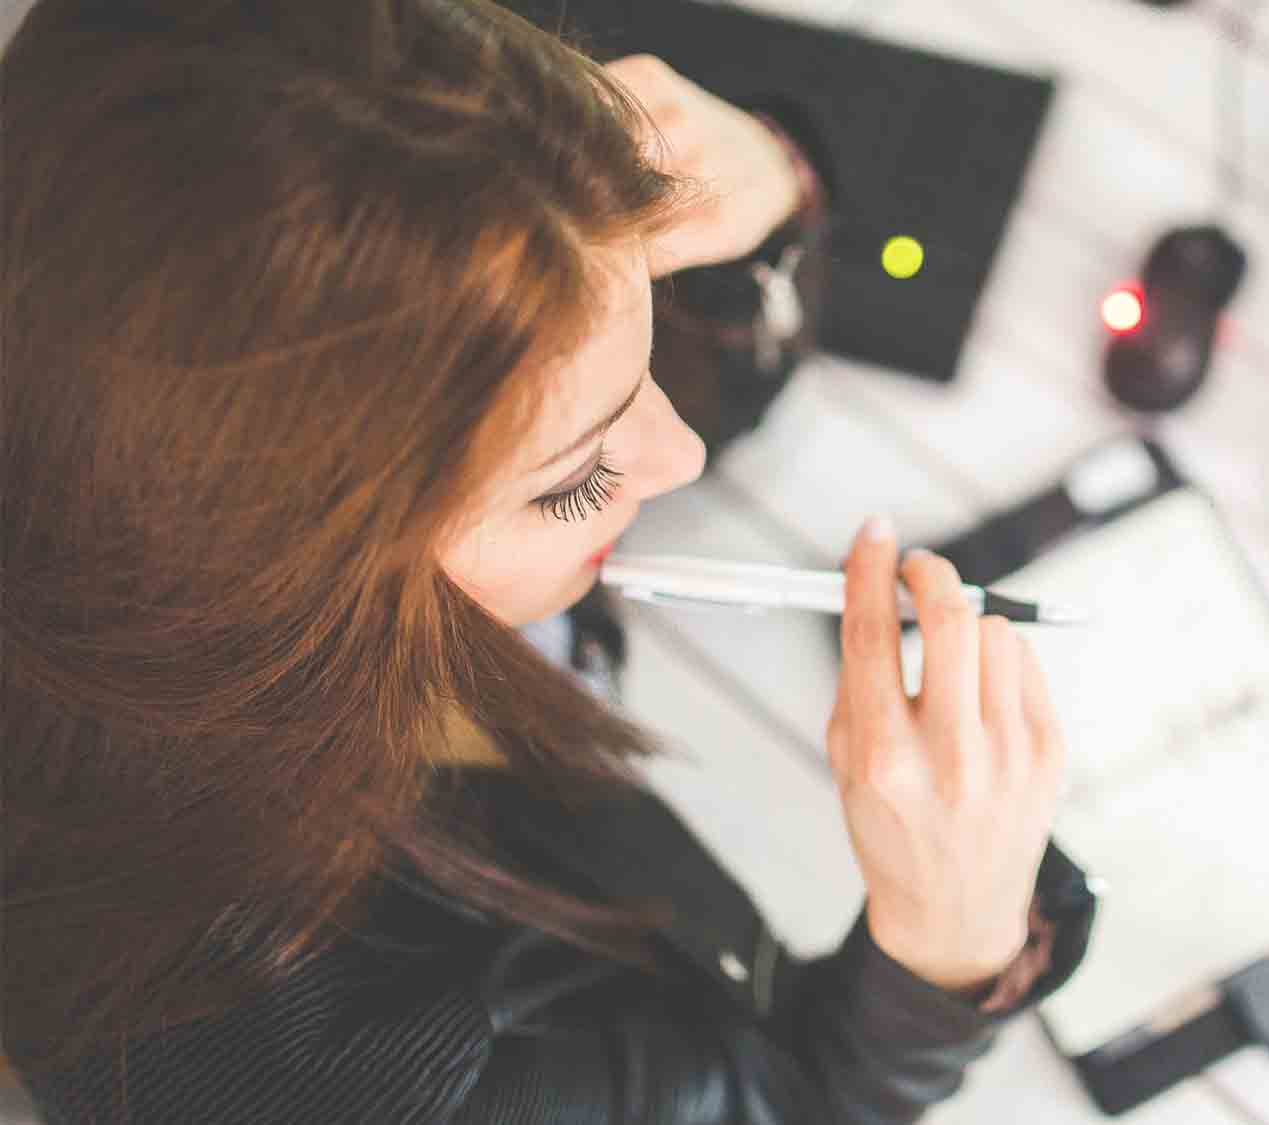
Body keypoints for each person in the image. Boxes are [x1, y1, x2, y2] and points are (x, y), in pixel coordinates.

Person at [0, 1, 1094, 1121]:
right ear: (290, 566)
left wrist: (771, 190)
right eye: (570, 479)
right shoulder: (326, 1079)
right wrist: (942, 956)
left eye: (643, 334)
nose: (678, 456)